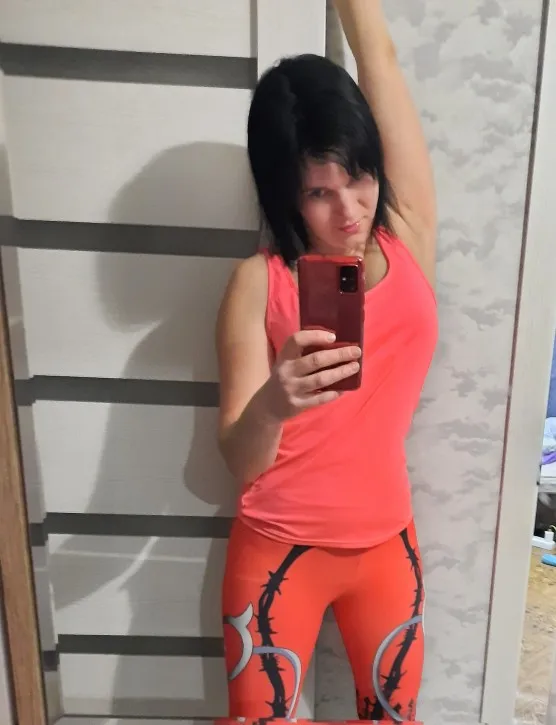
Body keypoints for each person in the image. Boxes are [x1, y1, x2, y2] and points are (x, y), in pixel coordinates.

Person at [215, 1, 438, 720]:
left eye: (360, 176)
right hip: (277, 549)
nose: (350, 211)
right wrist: (274, 402)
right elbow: (241, 460)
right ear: (285, 193)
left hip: (387, 543)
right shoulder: (259, 282)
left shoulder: (406, 235)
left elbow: (381, 64)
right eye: (318, 192)